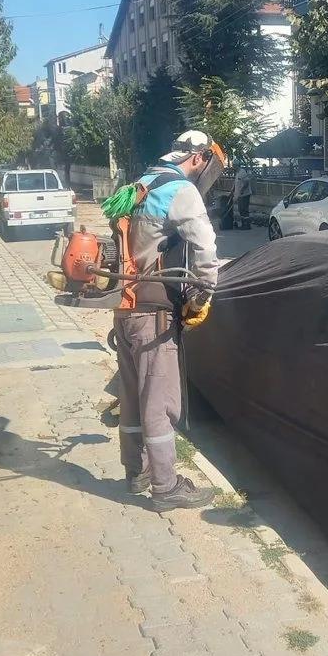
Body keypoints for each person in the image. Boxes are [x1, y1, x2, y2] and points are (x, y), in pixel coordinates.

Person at [113, 130, 223, 511]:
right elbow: (205, 250)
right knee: (159, 401)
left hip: (124, 308)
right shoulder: (180, 191)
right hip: (154, 315)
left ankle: (137, 471)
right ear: (198, 158)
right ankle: (166, 486)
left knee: (131, 396)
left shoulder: (141, 184)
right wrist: (202, 296)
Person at [232, 162, 254, 230]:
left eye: (234, 165)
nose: (233, 167)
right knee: (241, 210)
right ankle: (243, 224)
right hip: (240, 195)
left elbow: (246, 182)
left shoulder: (242, 172)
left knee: (244, 210)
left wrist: (242, 190)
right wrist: (233, 190)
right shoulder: (237, 173)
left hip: (244, 194)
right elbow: (236, 183)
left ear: (236, 165)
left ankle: (246, 225)